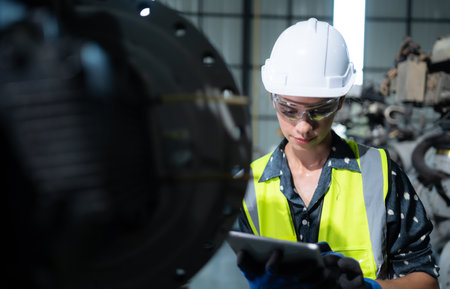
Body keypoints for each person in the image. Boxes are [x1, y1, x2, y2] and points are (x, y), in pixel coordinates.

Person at [236, 18, 440, 289]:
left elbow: (426, 280)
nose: (304, 125)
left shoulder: (381, 174)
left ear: (341, 101)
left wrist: (371, 288)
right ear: (273, 97)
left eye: (320, 110)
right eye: (289, 109)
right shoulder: (246, 188)